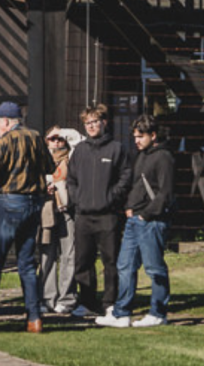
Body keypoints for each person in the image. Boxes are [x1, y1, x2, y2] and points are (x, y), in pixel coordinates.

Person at [0, 102, 55, 333]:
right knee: (27, 263)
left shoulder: (6, 140)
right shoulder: (36, 137)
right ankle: (34, 318)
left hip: (10, 203)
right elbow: (50, 166)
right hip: (33, 204)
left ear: (6, 121)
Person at [96, 115, 175, 328]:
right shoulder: (142, 156)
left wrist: (146, 214)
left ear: (153, 135)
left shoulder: (163, 157)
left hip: (151, 220)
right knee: (125, 265)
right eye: (135, 137)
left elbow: (165, 193)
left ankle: (158, 313)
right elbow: (137, 186)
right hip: (135, 219)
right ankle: (122, 313)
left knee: (154, 268)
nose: (136, 141)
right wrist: (130, 209)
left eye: (141, 137)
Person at [67, 104, 132, 317]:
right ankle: (87, 302)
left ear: (104, 122)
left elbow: (125, 176)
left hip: (108, 216)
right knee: (83, 261)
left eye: (95, 122)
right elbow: (71, 179)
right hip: (83, 216)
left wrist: (111, 197)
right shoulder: (79, 150)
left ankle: (110, 302)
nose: (91, 126)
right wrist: (77, 199)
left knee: (110, 261)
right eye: (88, 123)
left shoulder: (116, 148)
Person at [39, 126, 83, 314]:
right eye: (52, 139)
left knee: (69, 254)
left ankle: (67, 298)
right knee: (47, 255)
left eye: (60, 139)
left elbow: (79, 140)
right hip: (47, 210)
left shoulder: (73, 157)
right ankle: (47, 297)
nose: (56, 142)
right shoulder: (40, 158)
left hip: (67, 210)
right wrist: (44, 185)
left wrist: (64, 132)